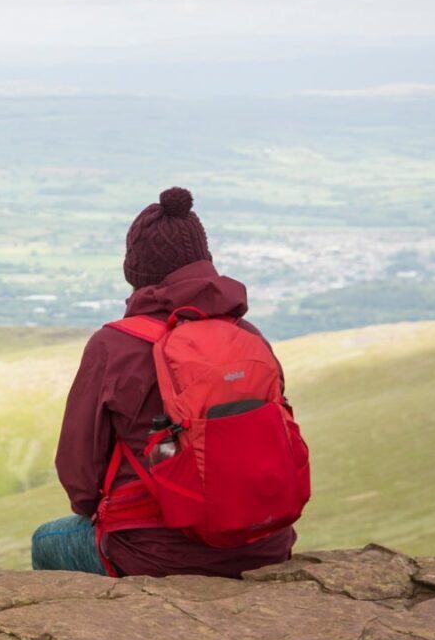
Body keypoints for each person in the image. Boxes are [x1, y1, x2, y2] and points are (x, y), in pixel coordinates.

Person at [32, 187, 298, 578]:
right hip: (265, 544)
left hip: (153, 553)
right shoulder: (248, 335)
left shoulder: (114, 344)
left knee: (46, 541)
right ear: (204, 260)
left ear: (136, 270)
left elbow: (81, 478)